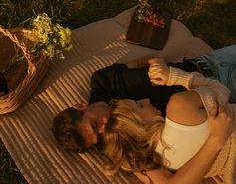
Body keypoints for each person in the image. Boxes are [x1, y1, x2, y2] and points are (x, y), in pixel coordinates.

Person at [52, 45, 236, 153]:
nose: (104, 126)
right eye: (98, 137)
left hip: (205, 64)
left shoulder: (103, 81)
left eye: (94, 124)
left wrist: (159, 63)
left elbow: (144, 61)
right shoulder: (122, 136)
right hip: (221, 97)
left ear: (81, 106)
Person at [102, 60, 235, 184]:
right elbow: (222, 91)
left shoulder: (154, 161)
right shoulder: (178, 106)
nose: (146, 100)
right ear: (140, 127)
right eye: (140, 105)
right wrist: (173, 76)